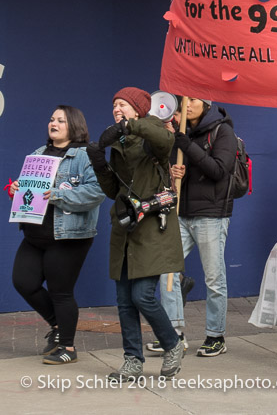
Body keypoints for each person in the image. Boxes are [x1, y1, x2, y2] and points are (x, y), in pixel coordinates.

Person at [86, 87, 185, 381]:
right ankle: (132, 359)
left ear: (139, 109)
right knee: (125, 300)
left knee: (143, 296)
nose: (116, 109)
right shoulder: (118, 142)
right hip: (125, 226)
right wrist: (99, 163)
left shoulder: (154, 134)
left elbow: (165, 139)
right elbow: (113, 191)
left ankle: (172, 343)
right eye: (114, 104)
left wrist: (129, 125)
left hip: (153, 227)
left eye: (122, 104)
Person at [9, 106, 105, 365]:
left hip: (68, 237)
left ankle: (68, 347)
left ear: (74, 125)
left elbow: (97, 192)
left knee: (61, 292)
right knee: (23, 282)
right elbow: (29, 191)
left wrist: (59, 195)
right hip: (34, 234)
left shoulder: (86, 155)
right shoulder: (38, 154)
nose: (54, 123)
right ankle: (58, 326)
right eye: (52, 119)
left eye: (61, 120)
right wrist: (17, 188)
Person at [146, 98, 237, 358]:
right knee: (168, 272)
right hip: (181, 213)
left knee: (214, 277)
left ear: (206, 104)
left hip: (211, 214)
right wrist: (173, 171)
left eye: (193, 100)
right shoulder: (178, 132)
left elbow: (219, 170)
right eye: (182, 99)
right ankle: (174, 334)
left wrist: (186, 145)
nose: (186, 105)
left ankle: (216, 336)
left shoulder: (223, 131)